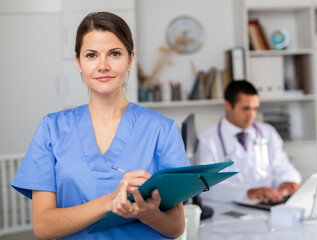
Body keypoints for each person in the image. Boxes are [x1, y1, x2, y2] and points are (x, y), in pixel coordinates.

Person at [11, 12, 189, 240]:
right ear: (78, 62)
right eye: (91, 55)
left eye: (114, 54)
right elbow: (43, 227)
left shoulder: (162, 129)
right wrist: (110, 201)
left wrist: (149, 214)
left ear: (130, 59)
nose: (103, 65)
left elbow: (176, 227)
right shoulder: (51, 129)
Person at [195, 80, 301, 204]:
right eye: (246, 109)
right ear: (228, 106)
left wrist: (286, 181)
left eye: (255, 109)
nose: (251, 115)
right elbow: (205, 185)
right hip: (227, 210)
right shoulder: (207, 139)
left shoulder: (268, 133)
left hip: (267, 205)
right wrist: (248, 192)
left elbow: (283, 167)